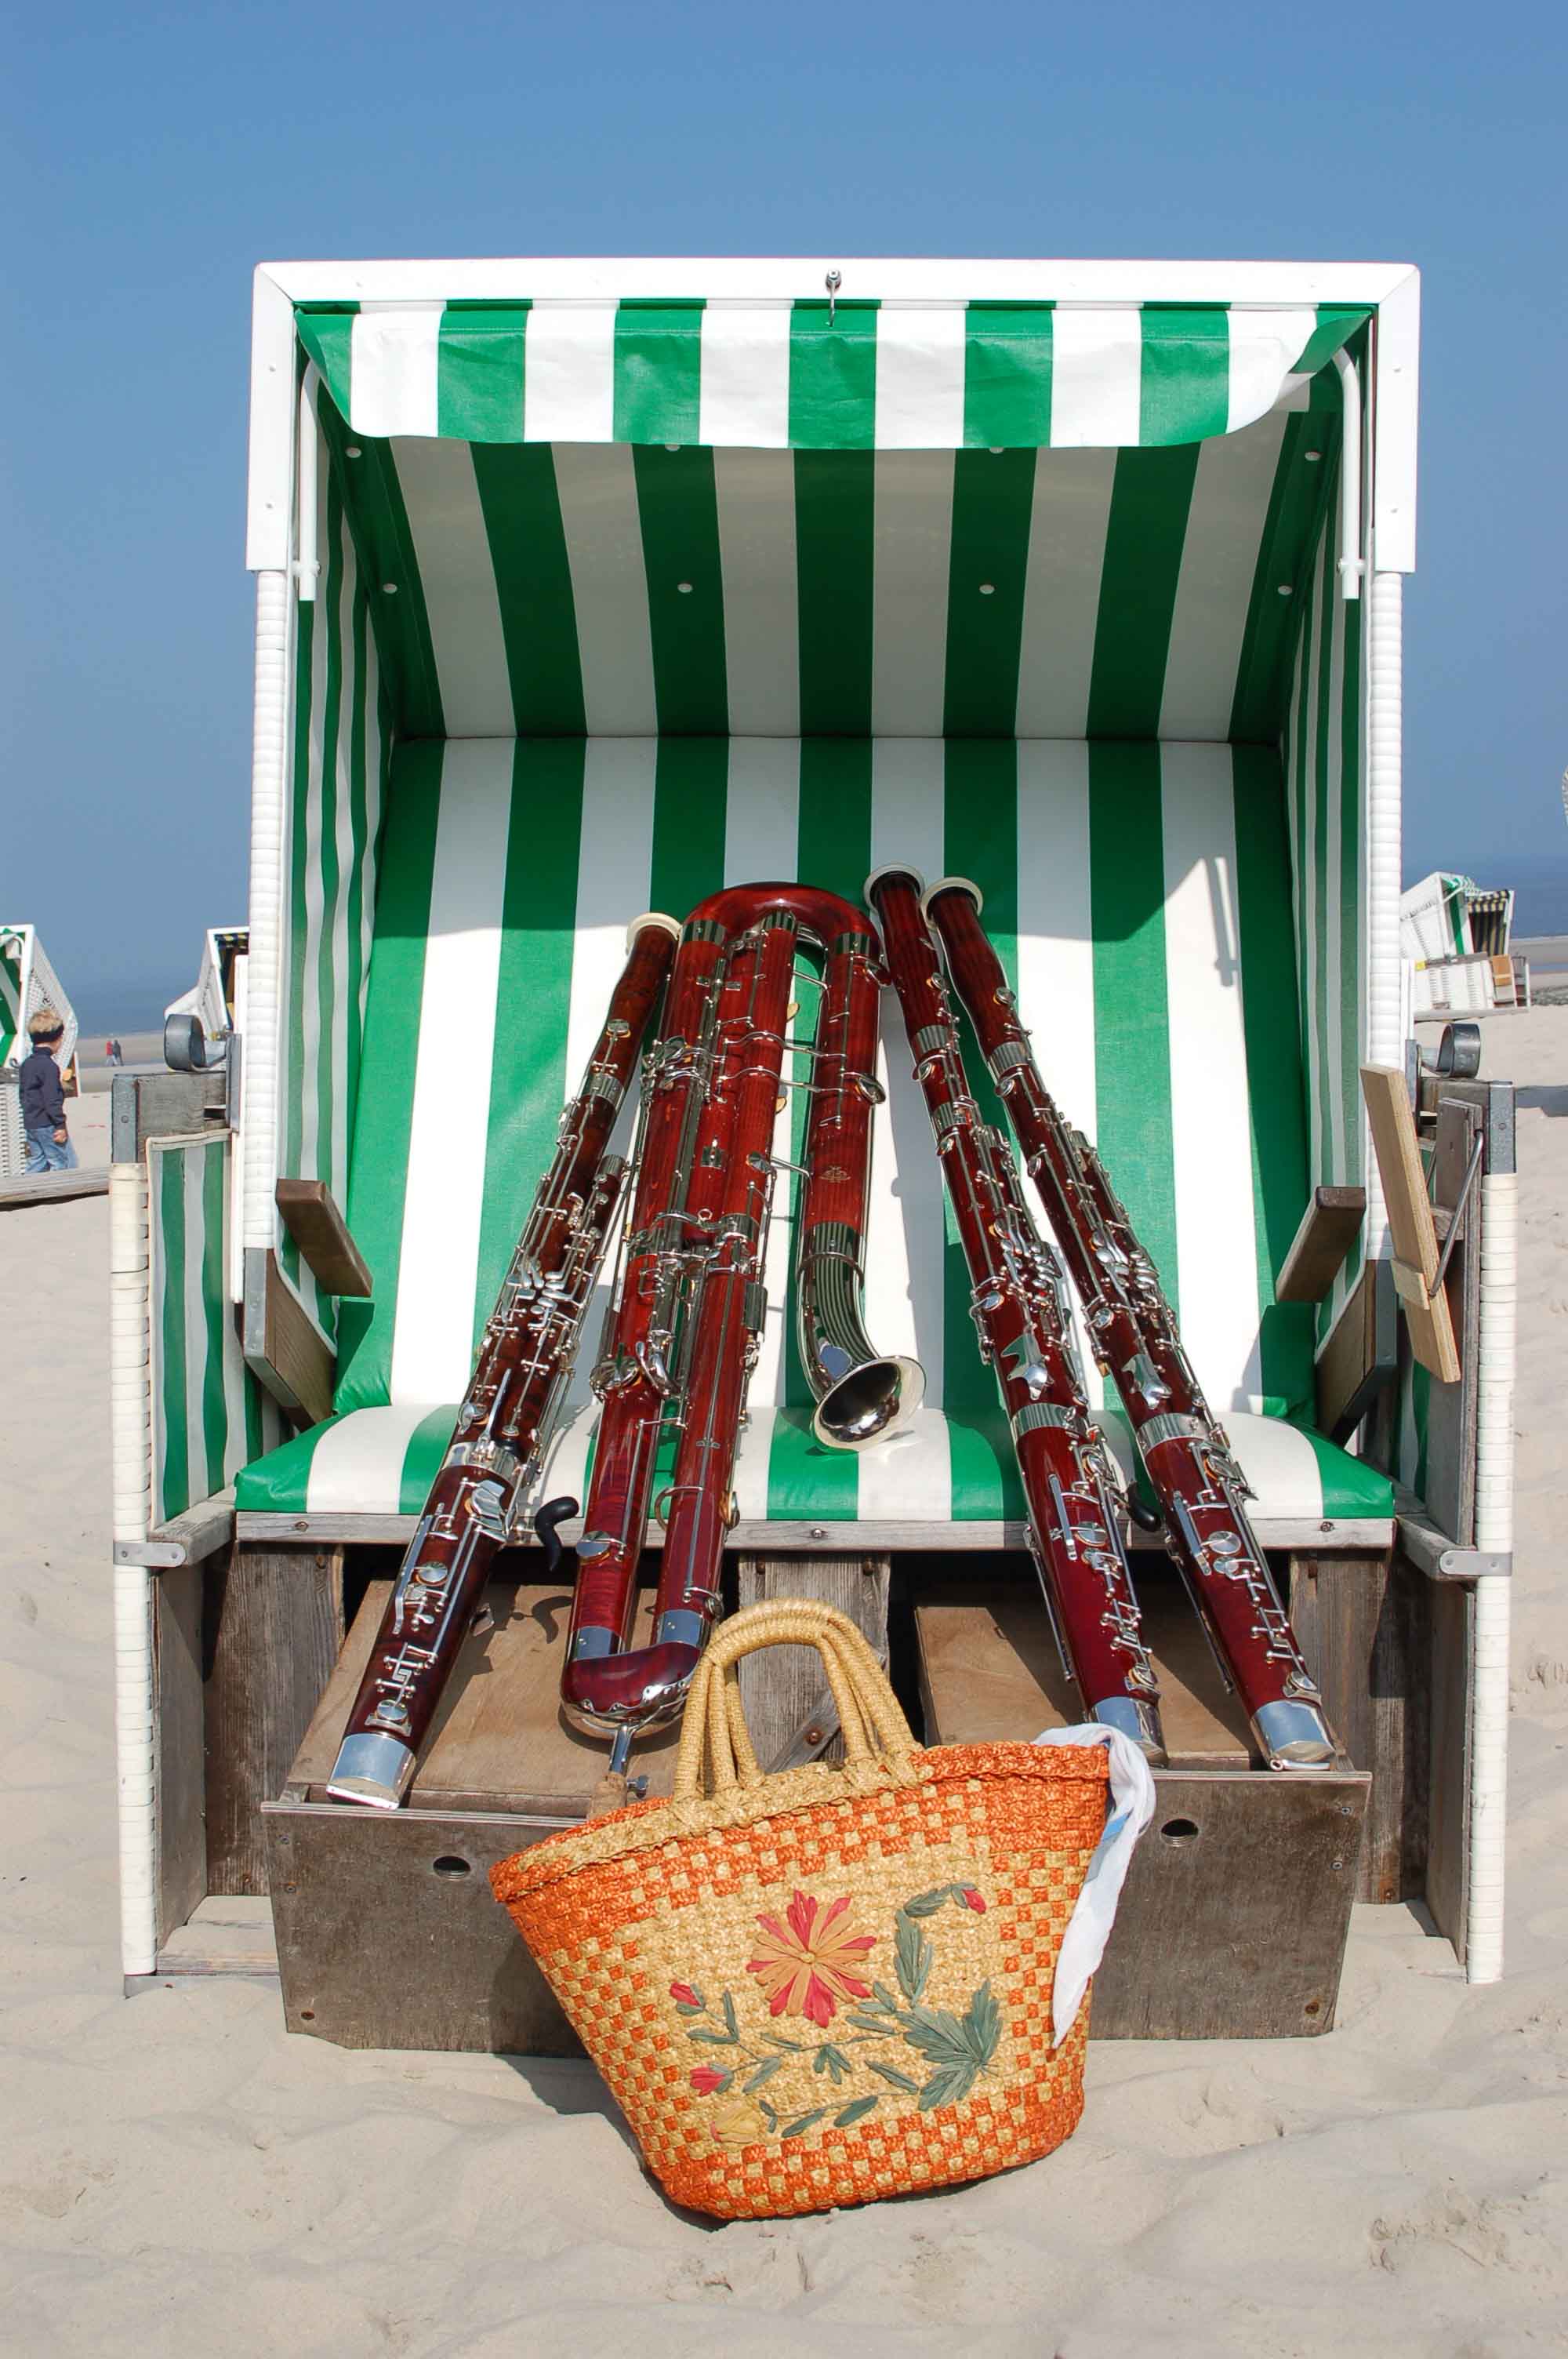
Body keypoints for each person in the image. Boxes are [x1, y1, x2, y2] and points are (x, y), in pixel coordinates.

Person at [20, 1009, 78, 1173]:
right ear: (57, 1039)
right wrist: (60, 1125)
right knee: (63, 1162)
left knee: (38, 1162)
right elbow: (52, 1099)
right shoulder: (49, 1066)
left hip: (31, 1122)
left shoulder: (27, 1064)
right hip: (47, 1123)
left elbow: (23, 1095)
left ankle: (27, 1191)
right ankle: (59, 1195)